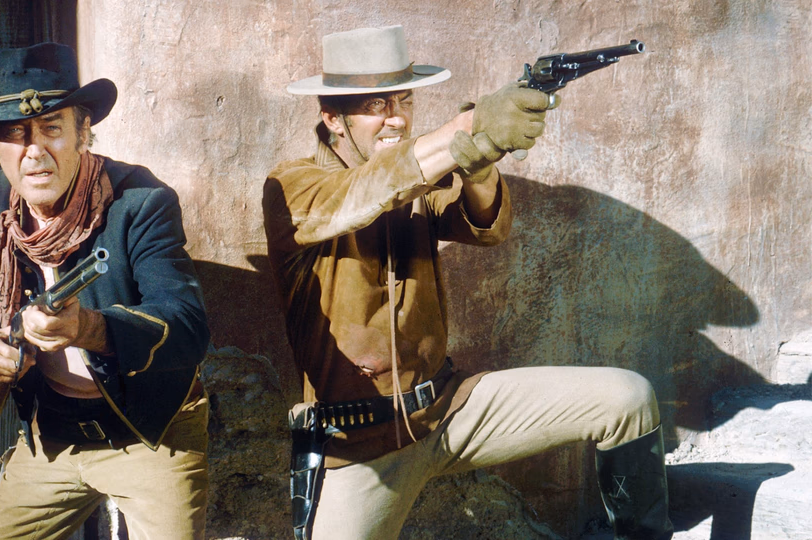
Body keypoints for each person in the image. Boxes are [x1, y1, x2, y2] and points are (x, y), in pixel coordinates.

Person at [263, 25, 673, 540]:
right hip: (360, 443)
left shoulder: (417, 176)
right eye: (375, 106)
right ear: (332, 119)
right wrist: (469, 127)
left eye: (404, 100)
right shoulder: (293, 186)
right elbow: (366, 192)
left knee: (628, 398)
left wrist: (480, 167)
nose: (396, 117)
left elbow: (484, 228)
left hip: (449, 409)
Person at [0, 42, 211, 539]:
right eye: (15, 134)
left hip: (150, 432)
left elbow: (187, 327)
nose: (34, 151)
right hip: (49, 437)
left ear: (83, 133)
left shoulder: (141, 201)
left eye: (52, 128)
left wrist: (88, 328)